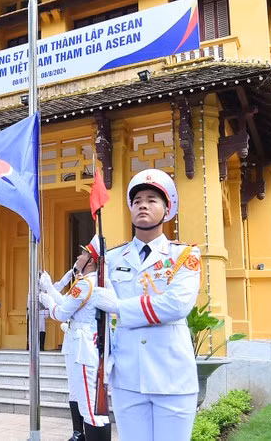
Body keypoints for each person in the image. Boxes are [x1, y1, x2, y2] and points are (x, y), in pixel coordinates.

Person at [92, 169, 201, 441]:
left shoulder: (184, 255)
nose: (143, 204)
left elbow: (176, 305)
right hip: (128, 375)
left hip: (171, 375)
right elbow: (102, 317)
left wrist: (119, 307)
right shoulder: (113, 258)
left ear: (167, 210)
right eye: (137, 199)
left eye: (152, 199)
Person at [39, 235, 111, 440]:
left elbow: (61, 312)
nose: (79, 256)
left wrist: (47, 299)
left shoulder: (86, 284)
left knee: (91, 409)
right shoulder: (88, 282)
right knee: (83, 400)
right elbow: (69, 305)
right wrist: (51, 290)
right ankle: (79, 434)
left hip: (83, 349)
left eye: (83, 253)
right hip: (80, 342)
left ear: (90, 260)